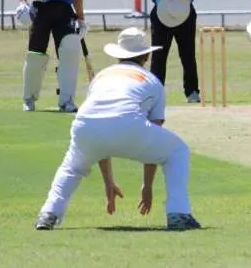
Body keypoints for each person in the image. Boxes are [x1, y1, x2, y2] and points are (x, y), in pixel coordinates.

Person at [33, 27, 201, 231]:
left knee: (72, 167)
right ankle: (179, 213)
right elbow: (153, 136)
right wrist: (147, 186)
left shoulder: (101, 76)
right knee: (177, 150)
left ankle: (49, 213)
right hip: (128, 124)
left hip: (85, 125)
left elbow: (101, 129)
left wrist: (108, 183)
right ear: (146, 55)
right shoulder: (153, 82)